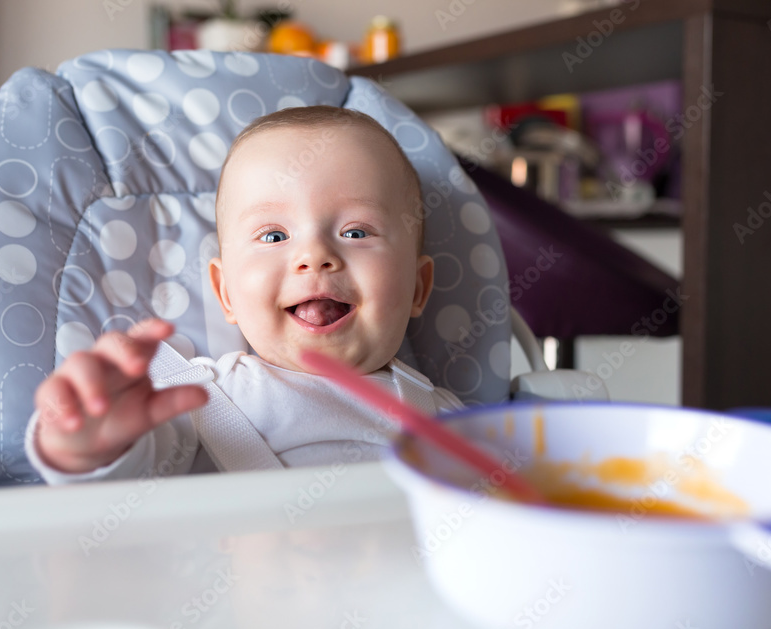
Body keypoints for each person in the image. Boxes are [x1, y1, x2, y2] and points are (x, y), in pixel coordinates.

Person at [24, 106, 463, 483]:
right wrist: (88, 441)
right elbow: (124, 481)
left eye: (355, 231)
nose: (314, 255)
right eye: (273, 236)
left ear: (417, 289)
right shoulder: (195, 406)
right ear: (226, 293)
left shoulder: (451, 421)